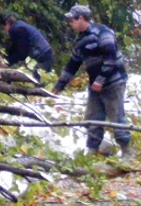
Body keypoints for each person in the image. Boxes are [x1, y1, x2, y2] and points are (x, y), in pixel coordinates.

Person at [52, 5, 132, 159]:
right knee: (92, 117)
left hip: (113, 82)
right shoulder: (81, 40)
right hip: (95, 86)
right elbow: (73, 64)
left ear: (81, 18)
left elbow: (111, 58)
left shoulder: (103, 33)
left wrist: (101, 79)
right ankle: (92, 152)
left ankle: (127, 151)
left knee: (116, 117)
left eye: (72, 20)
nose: (70, 24)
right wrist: (59, 85)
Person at [0, 12, 54, 80]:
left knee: (35, 80)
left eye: (3, 27)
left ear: (7, 24)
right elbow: (15, 47)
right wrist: (6, 59)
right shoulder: (18, 26)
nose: (4, 30)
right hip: (44, 54)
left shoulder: (18, 30)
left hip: (43, 56)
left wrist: (8, 62)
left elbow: (23, 52)